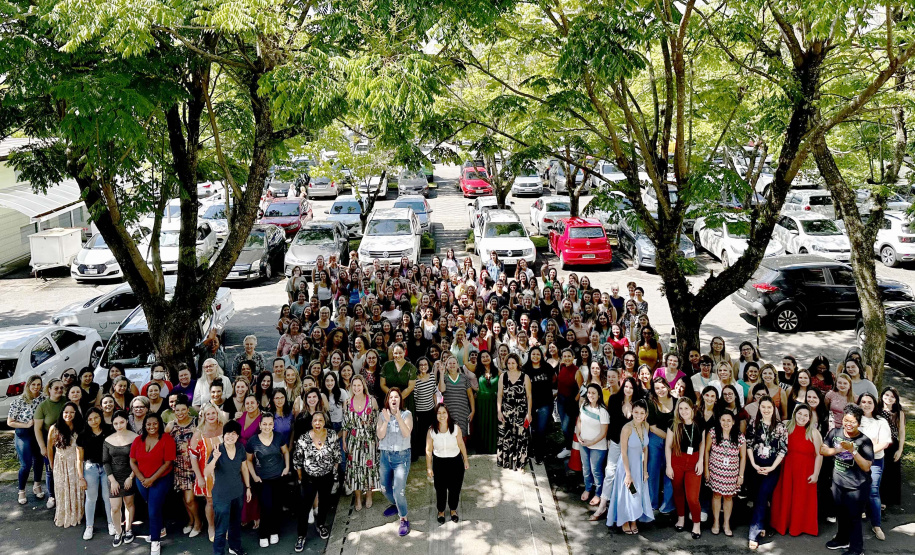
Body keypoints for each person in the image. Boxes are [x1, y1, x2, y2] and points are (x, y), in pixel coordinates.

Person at [820, 404, 874, 555]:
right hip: (838, 483)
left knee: (854, 518)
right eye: (846, 420)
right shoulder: (835, 433)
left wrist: (853, 451)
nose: (848, 424)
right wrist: (837, 449)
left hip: (857, 486)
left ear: (859, 423)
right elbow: (822, 450)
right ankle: (842, 539)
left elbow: (866, 467)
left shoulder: (864, 441)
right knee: (841, 514)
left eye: (852, 422)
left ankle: (857, 549)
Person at [771, 404, 822, 537]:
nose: (802, 417)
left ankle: (799, 526)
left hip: (805, 471)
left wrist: (816, 473)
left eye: (806, 415)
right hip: (787, 468)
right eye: (800, 414)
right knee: (785, 496)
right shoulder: (787, 427)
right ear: (795, 414)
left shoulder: (814, 433)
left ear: (810, 418)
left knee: (801, 499)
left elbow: (819, 454)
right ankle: (783, 524)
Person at [293, 410, 340, 552]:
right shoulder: (303, 438)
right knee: (304, 507)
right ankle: (301, 535)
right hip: (309, 478)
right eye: (315, 421)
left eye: (320, 420)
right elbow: (297, 460)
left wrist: (334, 472)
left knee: (324, 502)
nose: (318, 423)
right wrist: (301, 477)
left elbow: (337, 455)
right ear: (311, 423)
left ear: (324, 422)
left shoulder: (331, 435)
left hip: (327, 476)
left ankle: (321, 525)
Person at [605, 399, 654, 534]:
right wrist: (628, 474)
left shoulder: (646, 426)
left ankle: (634, 519)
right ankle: (625, 519)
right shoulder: (627, 428)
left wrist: (645, 470)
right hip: (627, 465)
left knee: (637, 492)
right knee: (627, 492)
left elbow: (645, 449)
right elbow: (623, 452)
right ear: (632, 412)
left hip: (639, 465)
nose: (638, 415)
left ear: (645, 414)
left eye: (642, 413)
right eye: (636, 412)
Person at [129, 414, 175, 555]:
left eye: (155, 424)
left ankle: (155, 541)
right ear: (144, 426)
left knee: (153, 509)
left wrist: (151, 479)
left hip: (161, 479)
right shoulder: (138, 440)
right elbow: (132, 461)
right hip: (142, 480)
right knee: (152, 504)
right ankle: (160, 528)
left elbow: (168, 463)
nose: (152, 427)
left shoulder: (167, 439)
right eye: (148, 424)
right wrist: (142, 478)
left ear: (160, 424)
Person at [205, 420, 252, 555]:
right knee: (221, 529)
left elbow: (244, 467)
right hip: (221, 495)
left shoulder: (240, 448)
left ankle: (235, 547)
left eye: (234, 434)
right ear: (223, 435)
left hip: (237, 492)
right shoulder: (217, 450)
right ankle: (218, 552)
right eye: (227, 433)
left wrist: (248, 487)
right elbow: (207, 472)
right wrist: (214, 459)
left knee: (235, 524)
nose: (230, 436)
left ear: (237, 436)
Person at [746, 397, 787, 550]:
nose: (766, 410)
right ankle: (762, 524)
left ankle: (753, 534)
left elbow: (783, 449)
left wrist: (772, 467)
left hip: (772, 468)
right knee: (759, 497)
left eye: (769, 407)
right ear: (760, 408)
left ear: (774, 409)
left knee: (763, 495)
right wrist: (753, 464)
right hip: (756, 466)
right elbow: (749, 444)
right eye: (763, 407)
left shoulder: (780, 427)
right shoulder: (753, 424)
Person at [245, 412, 291, 548]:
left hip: (279, 476)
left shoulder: (279, 437)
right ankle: (263, 534)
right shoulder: (253, 441)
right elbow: (248, 460)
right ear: (260, 425)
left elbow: (285, 452)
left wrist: (287, 467)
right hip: (262, 479)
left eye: (270, 424)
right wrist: (254, 476)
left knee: (277, 505)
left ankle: (274, 531)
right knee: (266, 506)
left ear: (273, 425)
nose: (267, 426)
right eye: (264, 424)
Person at [665, 397, 704, 539]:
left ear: (692, 409)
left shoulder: (699, 423)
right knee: (678, 491)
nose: (683, 412)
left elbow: (702, 444)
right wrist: (669, 466)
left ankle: (696, 523)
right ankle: (681, 518)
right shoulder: (673, 424)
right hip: (677, 460)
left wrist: (700, 461)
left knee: (692, 497)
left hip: (693, 461)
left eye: (686, 408)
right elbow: (668, 447)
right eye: (680, 409)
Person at [376, 388, 413, 537]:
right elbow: (380, 435)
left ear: (400, 400)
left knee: (399, 490)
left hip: (401, 457)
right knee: (384, 488)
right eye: (391, 397)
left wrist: (398, 418)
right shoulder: (382, 414)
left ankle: (403, 518)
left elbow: (406, 433)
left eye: (396, 397)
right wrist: (385, 420)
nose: (393, 399)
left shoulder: (407, 414)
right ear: (387, 400)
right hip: (385, 456)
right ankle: (396, 504)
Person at [426, 403, 471, 524]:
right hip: (439, 463)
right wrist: (429, 467)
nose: (442, 415)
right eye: (439, 413)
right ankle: (441, 511)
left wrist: (465, 460)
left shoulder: (455, 428)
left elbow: (461, 444)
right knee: (440, 489)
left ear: (448, 414)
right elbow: (428, 450)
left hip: (455, 462)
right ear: (436, 415)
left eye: (444, 412)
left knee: (455, 488)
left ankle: (453, 510)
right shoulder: (431, 431)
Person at [165, 394, 202, 537]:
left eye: (183, 410)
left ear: (188, 410)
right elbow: (165, 445)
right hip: (178, 465)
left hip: (194, 465)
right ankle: (191, 521)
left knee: (190, 498)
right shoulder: (170, 426)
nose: (180, 413)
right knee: (184, 497)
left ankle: (198, 522)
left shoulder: (196, 423)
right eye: (177, 410)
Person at [857, 393, 891, 541]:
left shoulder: (881, 421)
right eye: (863, 402)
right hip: (856, 461)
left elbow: (884, 443)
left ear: (874, 404)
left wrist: (866, 452)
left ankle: (876, 525)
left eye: (869, 402)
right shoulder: (854, 419)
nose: (866, 404)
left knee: (873, 492)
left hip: (875, 461)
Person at [190, 403, 226, 542]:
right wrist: (199, 477)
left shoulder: (223, 429)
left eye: (213, 413)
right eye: (208, 414)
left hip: (224, 471)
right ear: (204, 416)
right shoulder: (199, 433)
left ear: (217, 414)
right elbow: (193, 457)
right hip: (207, 473)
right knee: (210, 501)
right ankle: (211, 527)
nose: (211, 416)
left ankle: (223, 526)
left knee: (224, 501)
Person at [77, 407, 115, 539]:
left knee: (108, 497)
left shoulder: (109, 431)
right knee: (91, 498)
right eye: (90, 419)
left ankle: (111, 523)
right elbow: (79, 458)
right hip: (90, 468)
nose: (94, 421)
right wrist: (81, 477)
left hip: (106, 468)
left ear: (101, 417)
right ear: (87, 421)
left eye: (96, 417)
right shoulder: (82, 435)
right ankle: (89, 526)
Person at [7, 374, 45, 506]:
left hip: (38, 433)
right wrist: (26, 425)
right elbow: (10, 422)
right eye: (33, 384)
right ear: (28, 385)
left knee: (39, 460)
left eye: (38, 384)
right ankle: (21, 491)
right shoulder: (19, 400)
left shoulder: (43, 399)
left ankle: (37, 485)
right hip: (24, 433)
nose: (36, 387)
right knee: (26, 464)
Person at [47, 401, 84, 528]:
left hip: (75, 462)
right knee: (62, 489)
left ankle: (77, 515)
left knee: (75, 489)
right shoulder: (54, 428)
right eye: (66, 412)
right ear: (62, 413)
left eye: (71, 412)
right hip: (60, 463)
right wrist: (52, 465)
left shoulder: (79, 427)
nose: (68, 414)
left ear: (76, 414)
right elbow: (49, 449)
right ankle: (64, 515)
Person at [104, 410, 138, 546]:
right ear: (112, 424)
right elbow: (106, 461)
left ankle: (128, 529)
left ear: (126, 422)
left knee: (129, 504)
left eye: (122, 422)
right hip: (114, 477)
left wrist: (131, 477)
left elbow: (137, 460)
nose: (119, 425)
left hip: (129, 475)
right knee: (115, 507)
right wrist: (112, 480)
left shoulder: (135, 437)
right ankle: (118, 532)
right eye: (116, 423)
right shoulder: (107, 440)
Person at [34, 378, 67, 510]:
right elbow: (37, 429)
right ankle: (52, 496)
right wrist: (43, 447)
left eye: (61, 388)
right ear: (49, 390)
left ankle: (65, 495)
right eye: (56, 388)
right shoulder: (43, 406)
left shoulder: (66, 401)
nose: (59, 390)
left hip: (67, 443)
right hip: (50, 444)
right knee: (51, 471)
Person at [496, 353, 532, 471]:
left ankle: (520, 463)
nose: (511, 365)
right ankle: (507, 462)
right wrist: (499, 411)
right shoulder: (503, 377)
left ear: (517, 364)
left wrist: (529, 413)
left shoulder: (525, 377)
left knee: (521, 437)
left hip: (521, 412)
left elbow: (529, 396)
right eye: (509, 363)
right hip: (506, 412)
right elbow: (500, 395)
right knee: (506, 437)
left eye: (513, 363)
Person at [576, 383, 610, 505]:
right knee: (586, 468)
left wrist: (591, 442)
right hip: (584, 443)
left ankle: (598, 493)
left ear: (599, 395)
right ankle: (587, 488)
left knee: (596, 470)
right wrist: (578, 434)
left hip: (598, 446)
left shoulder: (603, 412)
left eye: (593, 393)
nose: (590, 395)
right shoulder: (584, 406)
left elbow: (603, 433)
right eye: (589, 392)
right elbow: (579, 421)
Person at [646, 377, 675, 515]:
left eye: (663, 387)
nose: (660, 390)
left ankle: (667, 505)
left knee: (670, 472)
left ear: (668, 387)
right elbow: (652, 427)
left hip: (674, 441)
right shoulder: (651, 403)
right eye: (657, 388)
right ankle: (652, 503)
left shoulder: (675, 401)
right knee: (653, 472)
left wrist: (671, 441)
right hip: (656, 439)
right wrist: (667, 438)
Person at [438, 356, 475, 438]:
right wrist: (441, 374)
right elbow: (441, 389)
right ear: (446, 366)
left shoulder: (464, 378)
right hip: (449, 412)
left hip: (463, 411)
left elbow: (470, 395)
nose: (452, 365)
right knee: (449, 434)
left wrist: (473, 411)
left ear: (458, 365)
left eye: (454, 363)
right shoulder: (444, 378)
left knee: (462, 435)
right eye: (449, 363)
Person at [880, 387, 905, 509]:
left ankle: (885, 500)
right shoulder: (877, 410)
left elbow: (901, 432)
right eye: (886, 395)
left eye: (892, 396)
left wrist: (900, 449)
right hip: (879, 444)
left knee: (890, 472)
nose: (888, 398)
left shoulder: (899, 413)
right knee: (879, 471)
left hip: (892, 445)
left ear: (895, 399)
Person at [556, 348, 583, 459]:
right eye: (565, 356)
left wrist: (574, 402)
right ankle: (568, 446)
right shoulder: (562, 367)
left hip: (570, 402)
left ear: (573, 357)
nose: (567, 358)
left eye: (569, 356)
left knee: (567, 427)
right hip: (560, 400)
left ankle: (569, 449)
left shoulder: (577, 371)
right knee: (563, 425)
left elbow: (581, 390)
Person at [380, 343, 418, 416]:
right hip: (390, 400)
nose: (398, 355)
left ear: (404, 352)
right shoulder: (386, 366)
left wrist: (399, 398)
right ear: (392, 353)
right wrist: (392, 397)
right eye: (395, 353)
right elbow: (382, 384)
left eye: (400, 353)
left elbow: (410, 387)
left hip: (406, 400)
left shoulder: (411, 368)